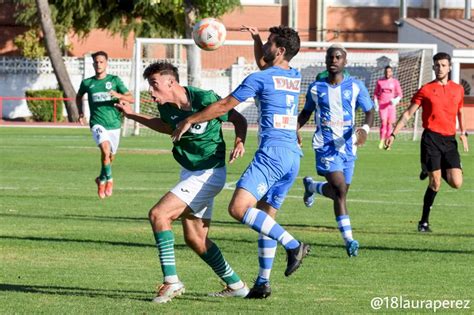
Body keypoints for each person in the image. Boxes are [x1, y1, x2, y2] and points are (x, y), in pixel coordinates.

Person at [172, 25, 310, 299]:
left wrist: (190, 119)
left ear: (280, 50)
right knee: (265, 217)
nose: (266, 46)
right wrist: (258, 39)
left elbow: (224, 105)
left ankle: (293, 245)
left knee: (238, 208)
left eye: (270, 42)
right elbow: (265, 62)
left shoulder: (260, 79)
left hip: (271, 154)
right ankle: (262, 282)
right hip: (292, 156)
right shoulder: (292, 75)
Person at [115, 61, 249, 303]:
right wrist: (132, 114)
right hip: (189, 173)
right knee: (196, 239)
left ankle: (171, 282)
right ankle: (236, 284)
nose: (152, 92)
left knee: (159, 215)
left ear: (171, 82)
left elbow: (239, 119)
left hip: (209, 173)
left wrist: (240, 141)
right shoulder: (166, 106)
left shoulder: (204, 98)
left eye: (154, 85)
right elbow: (166, 126)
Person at [297, 44, 374, 257]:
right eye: (331, 57)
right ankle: (349, 240)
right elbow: (305, 113)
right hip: (326, 146)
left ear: (345, 62)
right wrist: (295, 128)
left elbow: (369, 111)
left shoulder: (356, 86)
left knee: (339, 193)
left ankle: (312, 187)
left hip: (348, 148)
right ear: (325, 60)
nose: (334, 60)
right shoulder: (316, 88)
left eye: (338, 57)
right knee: (340, 189)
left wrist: (365, 129)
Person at [384, 52, 469, 232]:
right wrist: (393, 134)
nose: (440, 68)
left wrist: (463, 133)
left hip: (450, 140)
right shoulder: (426, 89)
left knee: (457, 183)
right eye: (437, 65)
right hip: (431, 138)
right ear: (433, 67)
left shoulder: (458, 89)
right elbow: (408, 113)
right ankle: (423, 222)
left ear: (450, 67)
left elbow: (460, 112)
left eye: (444, 65)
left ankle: (428, 168)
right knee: (435, 183)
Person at [76, 51, 133, 199]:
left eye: (101, 62)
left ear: (106, 63)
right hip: (97, 123)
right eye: (96, 62)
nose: (98, 64)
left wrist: (119, 95)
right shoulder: (87, 83)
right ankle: (109, 181)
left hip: (114, 124)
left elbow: (131, 98)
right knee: (105, 149)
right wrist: (81, 113)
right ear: (93, 64)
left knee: (109, 157)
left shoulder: (114, 80)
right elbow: (78, 96)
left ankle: (101, 178)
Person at [374, 65, 403, 149]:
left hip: (391, 106)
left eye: (389, 71)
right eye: (386, 72)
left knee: (389, 124)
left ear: (392, 72)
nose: (387, 73)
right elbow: (376, 93)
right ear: (384, 72)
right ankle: (382, 140)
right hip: (382, 105)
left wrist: (395, 100)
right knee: (383, 122)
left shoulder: (395, 82)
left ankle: (388, 142)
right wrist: (376, 103)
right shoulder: (380, 81)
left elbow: (400, 94)